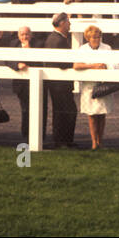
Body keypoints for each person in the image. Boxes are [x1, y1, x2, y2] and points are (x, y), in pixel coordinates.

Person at [72, 24, 115, 150]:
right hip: (89, 86)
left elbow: (114, 63)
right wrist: (93, 66)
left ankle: (100, 141)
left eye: (98, 37)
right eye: (94, 37)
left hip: (103, 85)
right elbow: (76, 66)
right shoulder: (82, 49)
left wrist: (106, 66)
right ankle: (94, 142)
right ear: (88, 38)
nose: (96, 39)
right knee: (92, 115)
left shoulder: (107, 48)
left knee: (102, 114)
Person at [42, 11, 78, 148]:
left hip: (57, 83)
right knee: (67, 111)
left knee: (61, 112)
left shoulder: (53, 38)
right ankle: (63, 141)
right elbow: (62, 63)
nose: (70, 24)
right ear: (62, 23)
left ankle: (62, 141)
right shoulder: (58, 40)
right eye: (68, 21)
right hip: (60, 84)